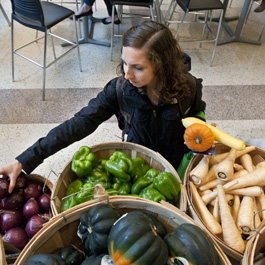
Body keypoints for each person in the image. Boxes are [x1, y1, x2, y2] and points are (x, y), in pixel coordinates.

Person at [0, 21, 206, 193]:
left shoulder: (189, 87)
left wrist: (204, 133)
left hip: (176, 171)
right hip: (134, 168)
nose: (127, 74)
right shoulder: (119, 90)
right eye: (125, 63)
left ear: (162, 64)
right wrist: (25, 159)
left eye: (138, 67)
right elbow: (80, 122)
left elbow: (197, 117)